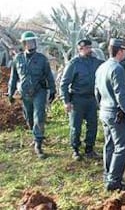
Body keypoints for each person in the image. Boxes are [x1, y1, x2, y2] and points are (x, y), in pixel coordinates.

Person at [95, 38, 125, 191]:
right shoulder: (117, 68)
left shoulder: (101, 67)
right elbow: (121, 95)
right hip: (116, 113)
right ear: (120, 51)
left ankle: (108, 174)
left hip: (105, 111)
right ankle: (114, 181)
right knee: (121, 148)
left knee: (109, 145)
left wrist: (102, 106)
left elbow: (96, 92)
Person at [8, 31, 56, 159]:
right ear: (24, 44)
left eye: (32, 42)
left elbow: (49, 75)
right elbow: (13, 77)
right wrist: (10, 93)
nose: (30, 44)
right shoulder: (18, 59)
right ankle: (35, 136)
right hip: (25, 92)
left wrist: (52, 89)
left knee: (39, 116)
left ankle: (38, 144)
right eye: (27, 42)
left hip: (39, 91)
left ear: (35, 43)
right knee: (29, 116)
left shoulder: (42, 59)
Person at [60, 39, 104, 160]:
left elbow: (107, 65)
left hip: (91, 99)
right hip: (77, 99)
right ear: (80, 49)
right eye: (87, 48)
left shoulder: (95, 62)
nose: (90, 50)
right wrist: (66, 101)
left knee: (93, 125)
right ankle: (75, 149)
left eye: (90, 47)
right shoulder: (74, 64)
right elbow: (64, 84)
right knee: (76, 126)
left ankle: (89, 149)